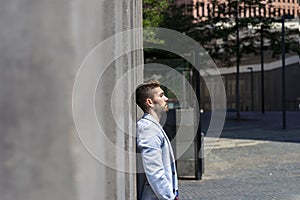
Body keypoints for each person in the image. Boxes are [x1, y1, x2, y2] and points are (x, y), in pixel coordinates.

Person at [136, 80, 179, 200]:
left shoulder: (153, 126)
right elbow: (154, 171)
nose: (166, 98)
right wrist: (170, 197)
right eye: (161, 95)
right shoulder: (147, 128)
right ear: (149, 102)